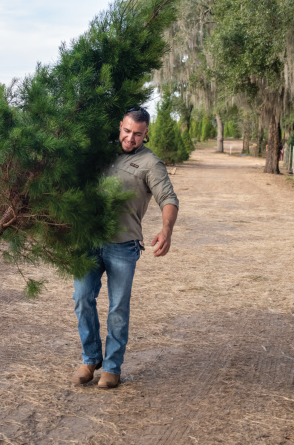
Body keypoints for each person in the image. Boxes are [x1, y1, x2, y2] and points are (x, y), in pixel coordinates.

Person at [72, 106, 179, 388]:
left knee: (118, 309)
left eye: (138, 135)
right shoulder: (102, 152)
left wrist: (166, 229)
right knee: (82, 299)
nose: (130, 139)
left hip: (123, 246)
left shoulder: (150, 163)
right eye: (127, 131)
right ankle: (90, 357)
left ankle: (112, 367)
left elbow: (168, 198)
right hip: (89, 240)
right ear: (120, 126)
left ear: (146, 135)